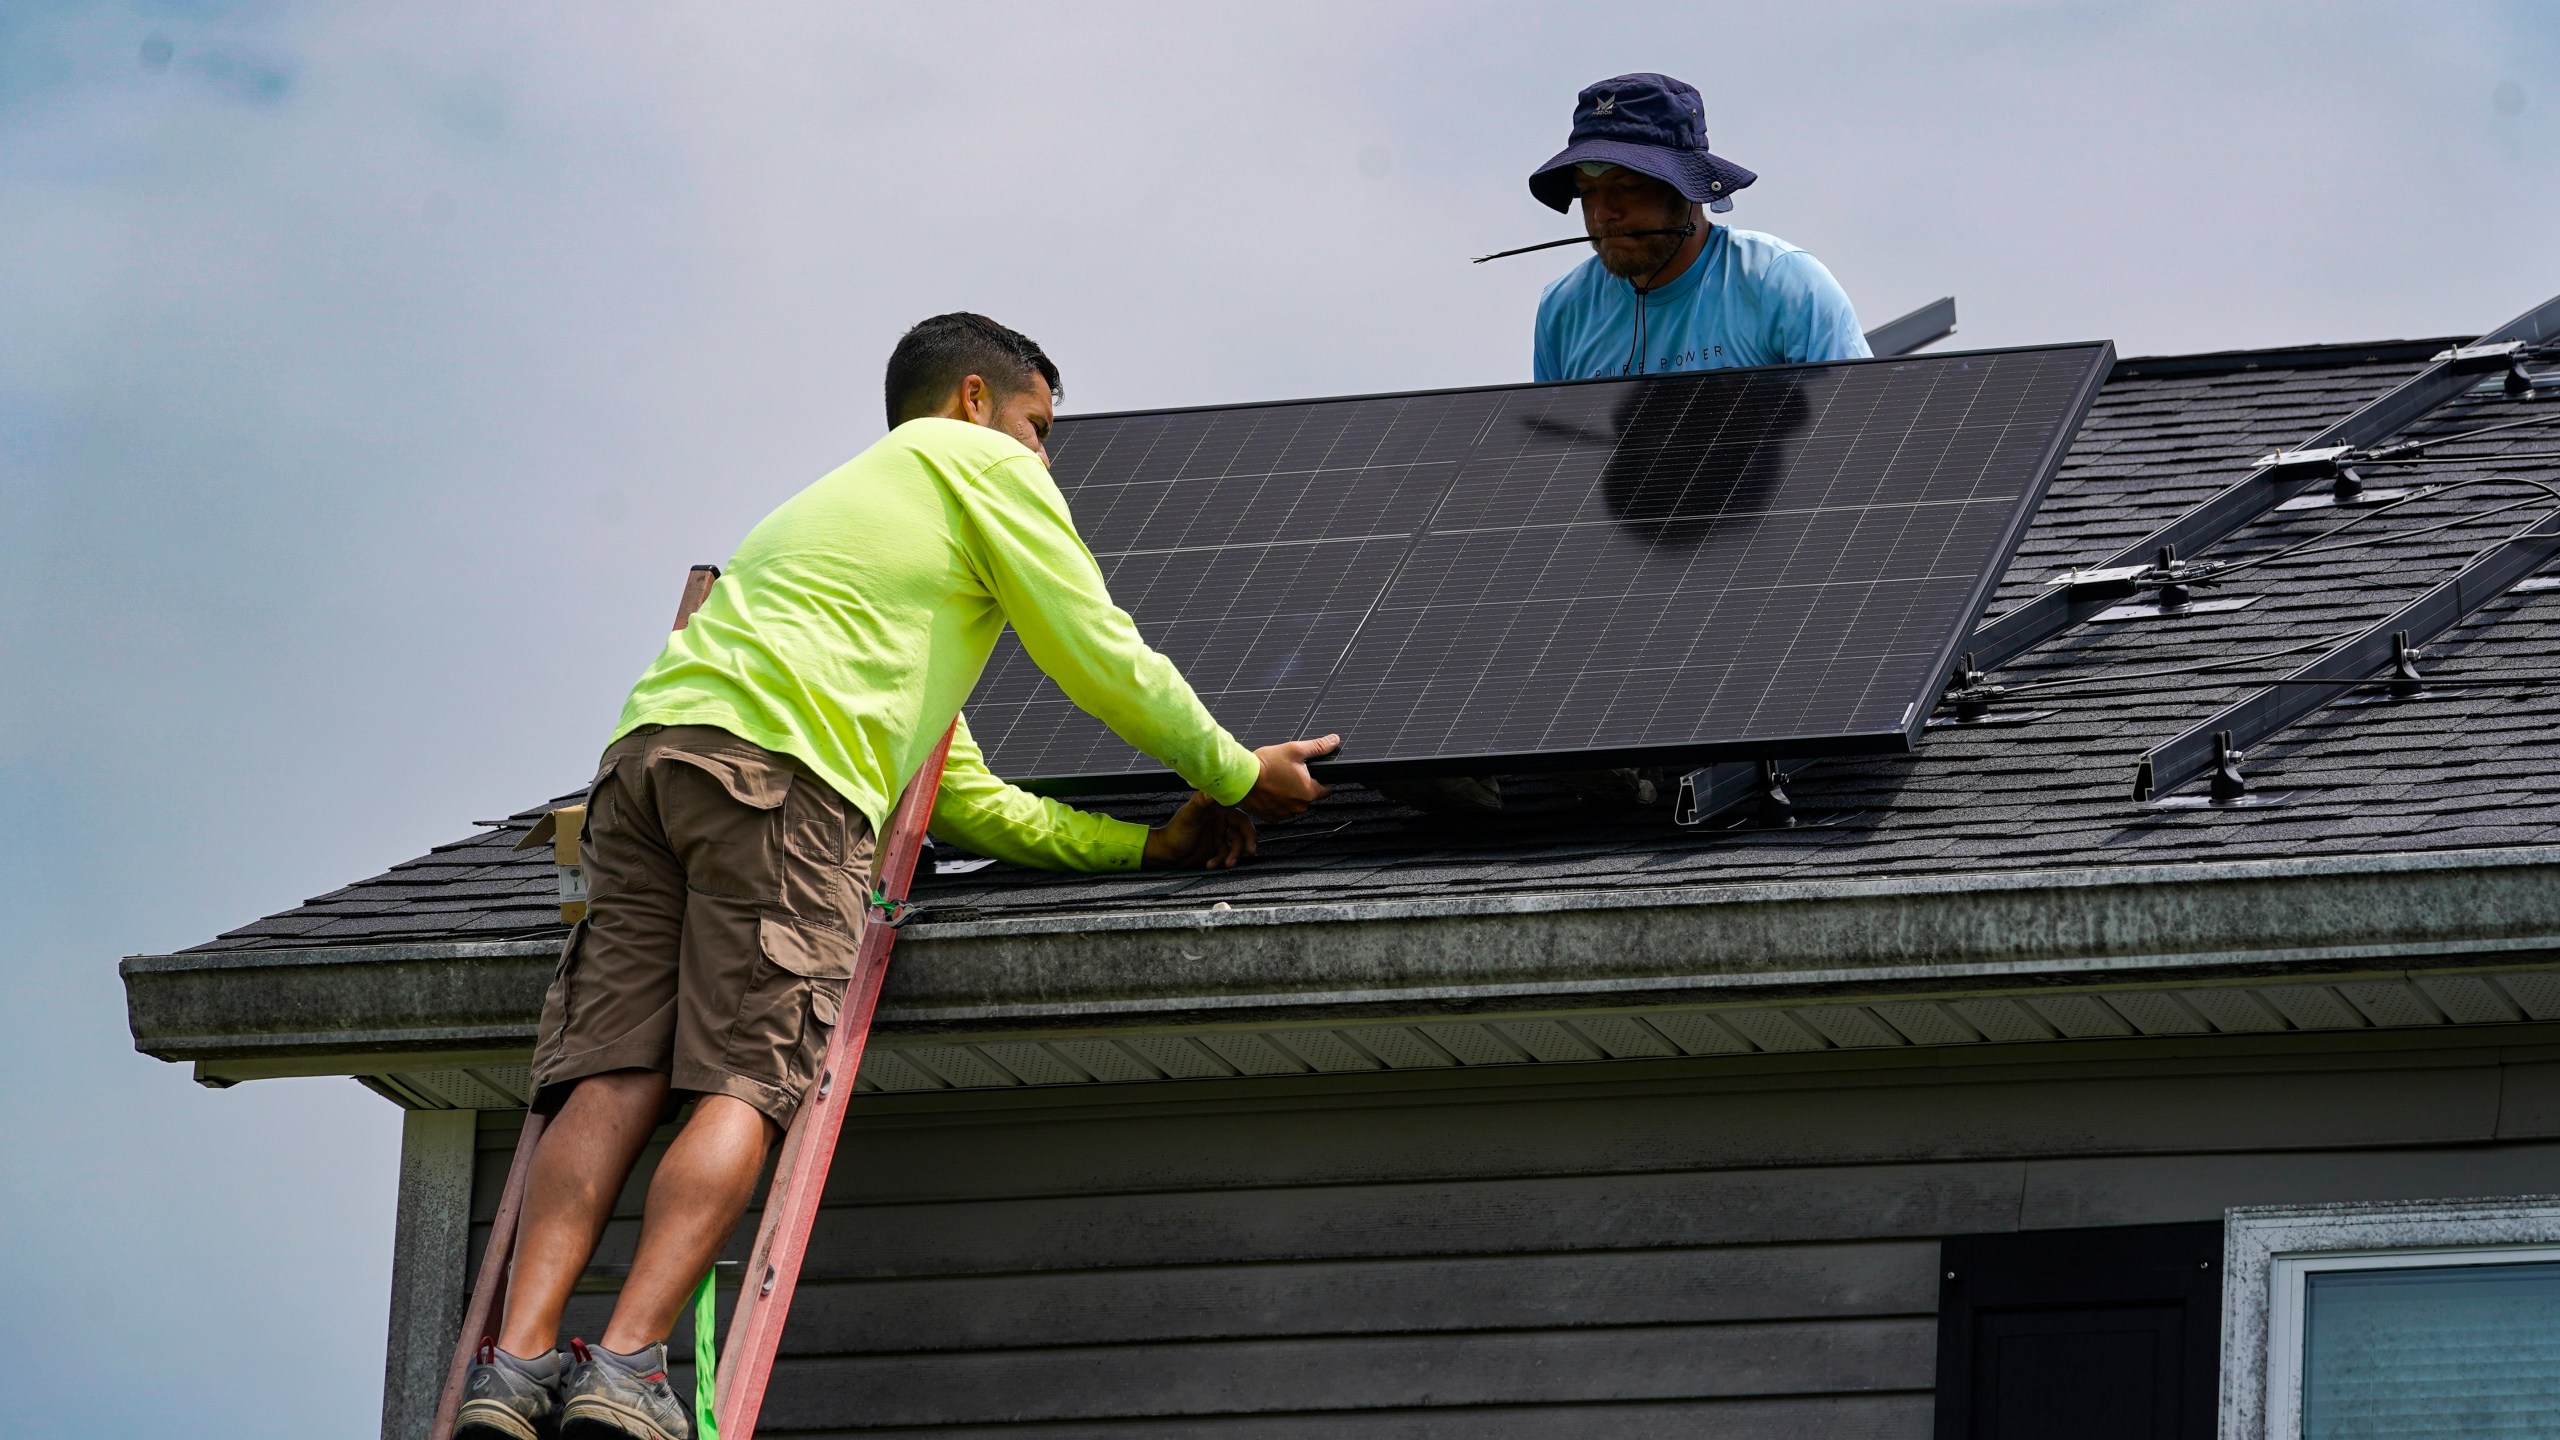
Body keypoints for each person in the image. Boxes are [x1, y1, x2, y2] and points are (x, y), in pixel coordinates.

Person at [454, 313, 1341, 1440]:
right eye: (1039, 425)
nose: (1043, 457)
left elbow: (961, 798)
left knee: (615, 1072)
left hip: (645, 764)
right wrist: (1232, 770)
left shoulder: (837, 539)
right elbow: (1095, 648)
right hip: (785, 785)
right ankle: (624, 1369)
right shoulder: (973, 462)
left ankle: (515, 1367)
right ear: (975, 399)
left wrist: (1141, 848)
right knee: (744, 1076)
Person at [1530, 72, 1869, 381]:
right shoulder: (1562, 308)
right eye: (1587, 191)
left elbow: (1856, 428)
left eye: (1629, 186)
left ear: (1688, 188)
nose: (1603, 213)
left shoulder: (1780, 282)